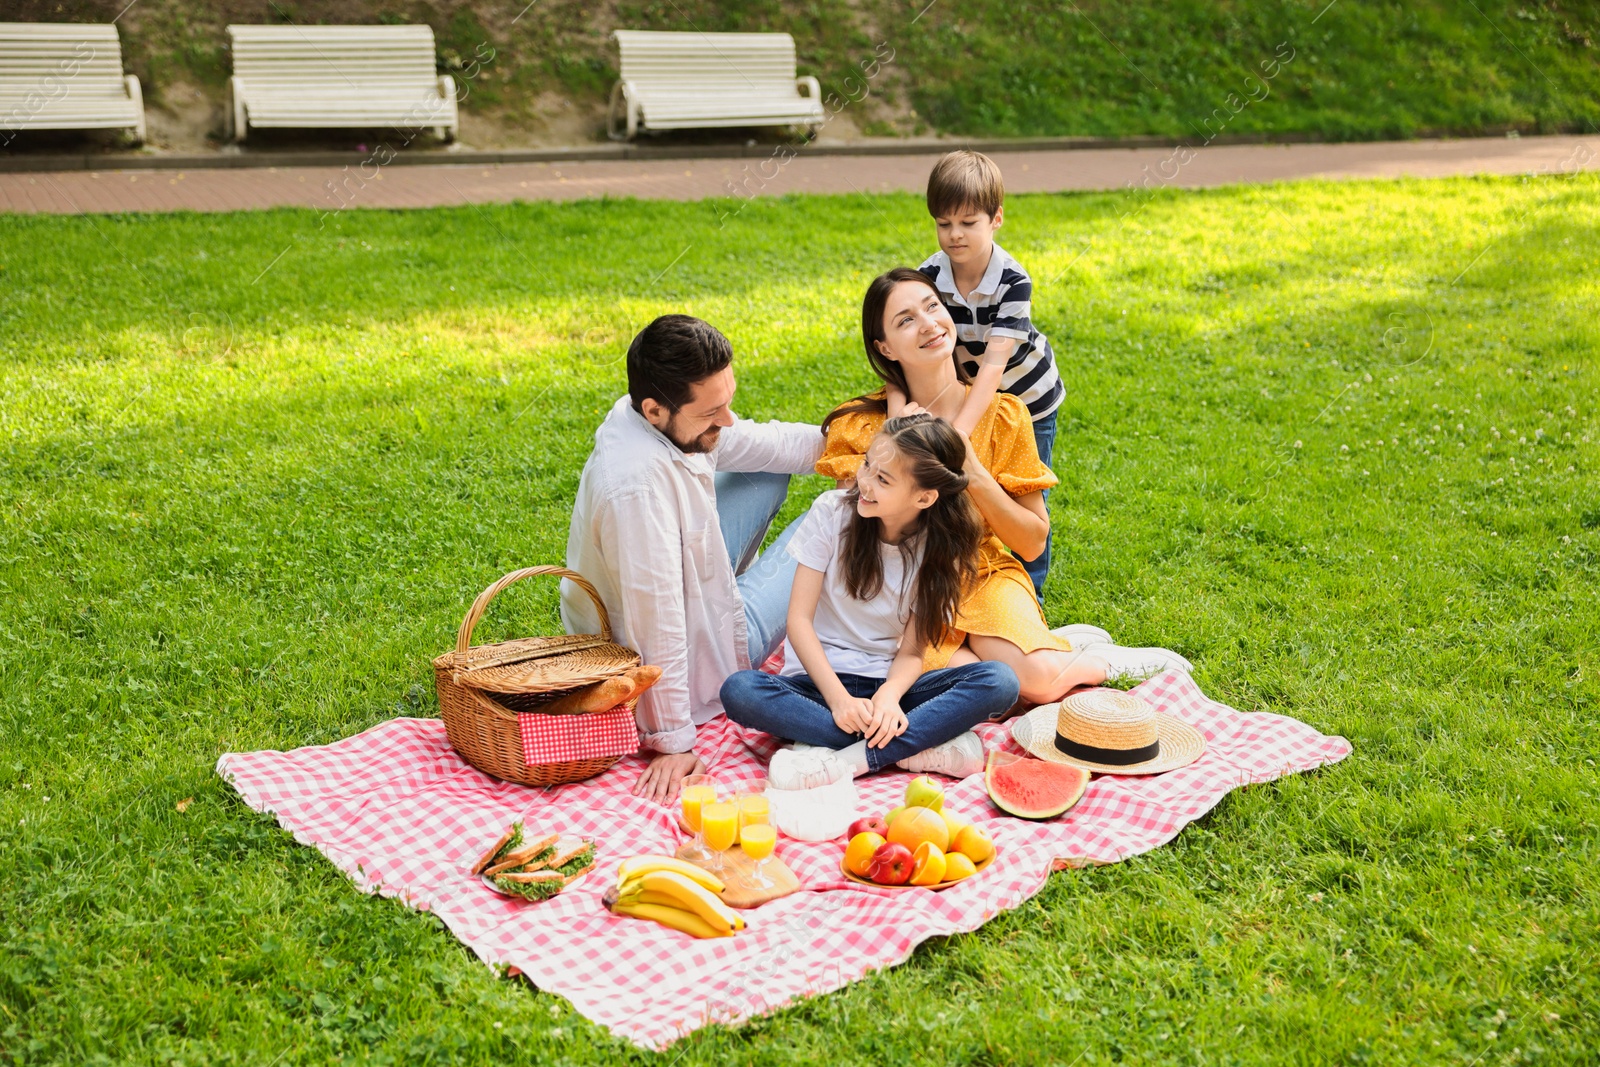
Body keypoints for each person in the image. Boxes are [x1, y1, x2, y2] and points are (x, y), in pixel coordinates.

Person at [820, 268, 1191, 707]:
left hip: (982, 574)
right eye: (905, 320)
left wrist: (972, 471)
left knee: (1034, 680)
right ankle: (1048, 646)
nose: (929, 324)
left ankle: (1098, 662)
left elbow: (1032, 543)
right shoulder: (860, 425)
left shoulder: (1004, 416)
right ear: (884, 347)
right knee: (984, 695)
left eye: (933, 307)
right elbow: (856, 522)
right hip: (901, 593)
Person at [562, 314, 822, 803]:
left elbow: (758, 442)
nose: (726, 420)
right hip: (672, 642)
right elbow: (653, 621)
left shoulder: (649, 416)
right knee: (831, 521)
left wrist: (864, 445)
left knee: (765, 471)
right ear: (656, 410)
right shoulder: (635, 490)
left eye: (728, 401)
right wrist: (673, 740)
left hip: (687, 580)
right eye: (710, 413)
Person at [720, 415, 1022, 785]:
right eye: (867, 465)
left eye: (883, 479)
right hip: (817, 687)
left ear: (924, 497)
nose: (864, 482)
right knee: (740, 691)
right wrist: (839, 701)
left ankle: (852, 758)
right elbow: (798, 622)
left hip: (888, 688)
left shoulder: (943, 549)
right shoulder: (832, 512)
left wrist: (890, 699)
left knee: (999, 681)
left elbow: (913, 652)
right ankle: (913, 746)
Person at [884, 150, 1062, 602]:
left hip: (1026, 400)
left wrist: (955, 433)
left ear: (996, 218)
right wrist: (898, 413)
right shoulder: (928, 277)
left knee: (1021, 493)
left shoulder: (1013, 281)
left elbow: (994, 367)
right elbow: (898, 358)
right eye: (944, 224)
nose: (954, 235)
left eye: (968, 222)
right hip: (968, 394)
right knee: (966, 493)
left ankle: (1030, 597)